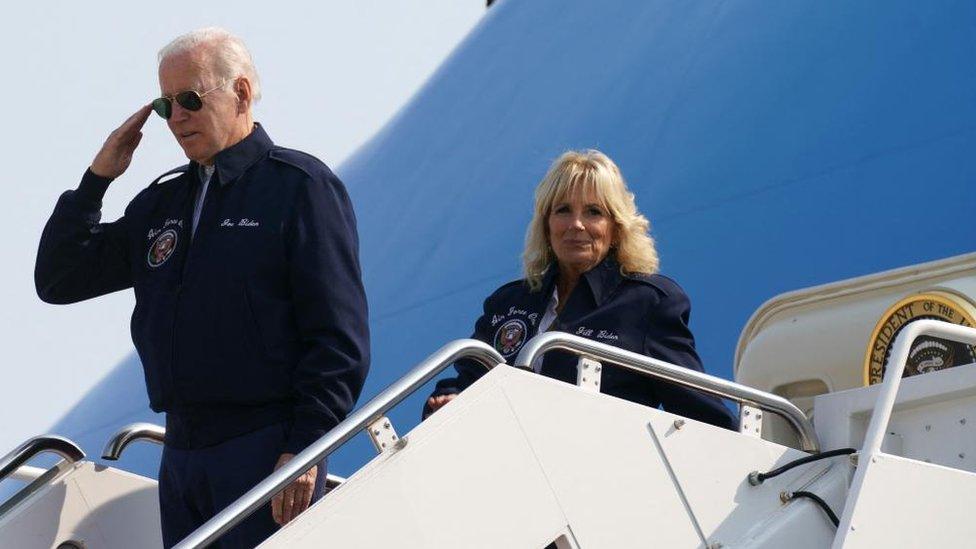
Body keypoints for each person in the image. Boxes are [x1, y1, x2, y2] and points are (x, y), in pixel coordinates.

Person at [35, 27, 370, 547]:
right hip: (184, 453)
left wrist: (306, 446)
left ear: (240, 92)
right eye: (165, 106)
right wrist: (97, 179)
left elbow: (337, 339)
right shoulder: (160, 204)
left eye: (190, 99)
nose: (178, 117)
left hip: (265, 445)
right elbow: (60, 278)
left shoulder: (299, 188)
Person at [424, 150, 736, 429]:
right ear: (546, 225)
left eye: (593, 212)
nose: (576, 224)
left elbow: (702, 416)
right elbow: (467, 381)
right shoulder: (508, 302)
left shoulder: (647, 302)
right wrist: (446, 399)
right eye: (562, 210)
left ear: (616, 227)